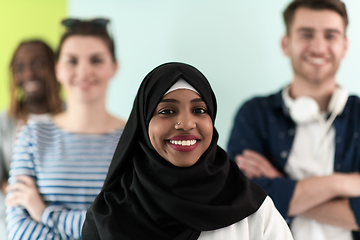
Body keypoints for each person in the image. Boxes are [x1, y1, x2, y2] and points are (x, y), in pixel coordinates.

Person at [81, 62, 293, 240]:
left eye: (199, 110)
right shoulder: (110, 212)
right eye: (167, 111)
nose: (185, 123)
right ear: (144, 124)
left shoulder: (252, 208)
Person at [227, 0, 360, 239]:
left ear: (344, 46)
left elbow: (262, 195)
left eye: (330, 36)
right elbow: (241, 202)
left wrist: (279, 184)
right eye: (306, 34)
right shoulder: (255, 114)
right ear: (285, 44)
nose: (319, 47)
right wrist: (342, 183)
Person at [5, 18, 125, 240]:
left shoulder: (133, 140)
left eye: (96, 60)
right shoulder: (32, 135)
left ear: (113, 67)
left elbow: (128, 225)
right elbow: (18, 229)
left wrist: (44, 213)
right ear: (58, 69)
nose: (84, 70)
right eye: (72, 61)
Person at [0, 39, 63, 240]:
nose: (28, 74)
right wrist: (26, 196)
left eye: (37, 64)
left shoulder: (75, 118)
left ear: (55, 68)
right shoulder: (4, 123)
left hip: (63, 223)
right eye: (20, 68)